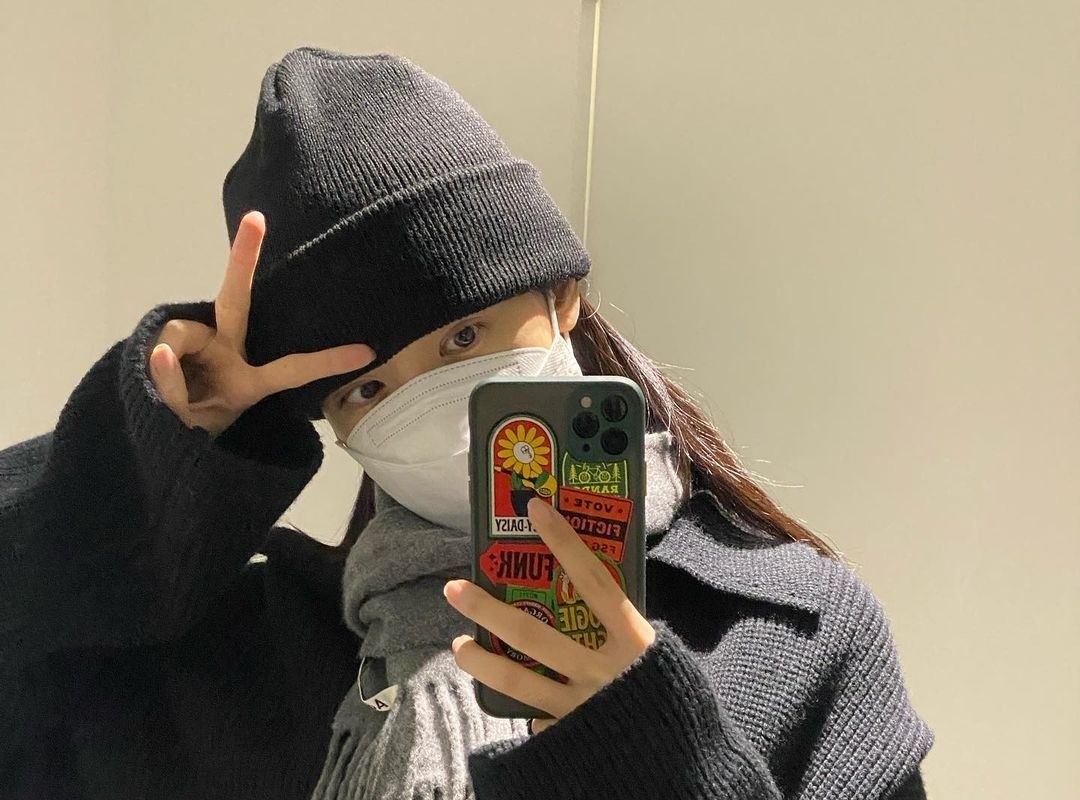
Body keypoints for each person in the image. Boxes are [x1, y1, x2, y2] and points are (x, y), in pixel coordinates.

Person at [0, 47, 934, 800]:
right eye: (366, 389)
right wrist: (140, 460)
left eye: (461, 336)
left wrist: (649, 755)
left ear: (562, 295)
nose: (433, 402)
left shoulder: (794, 632)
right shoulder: (239, 658)